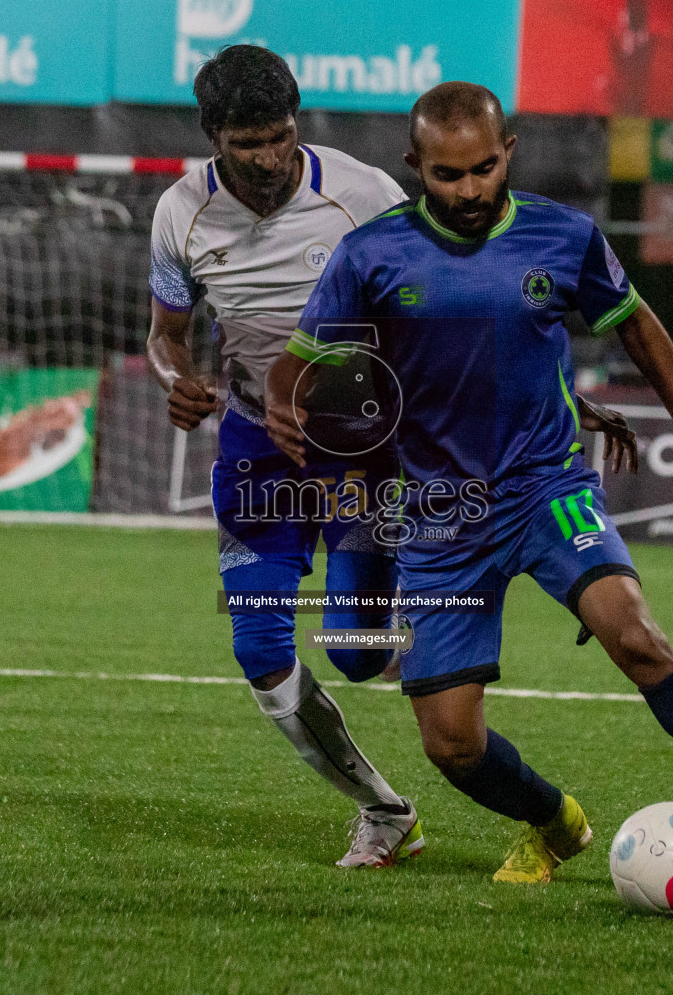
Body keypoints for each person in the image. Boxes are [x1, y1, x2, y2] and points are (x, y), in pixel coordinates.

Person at [265, 82, 673, 887]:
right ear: (415, 167)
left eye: (483, 169)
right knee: (452, 746)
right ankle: (553, 821)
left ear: (509, 152)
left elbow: (635, 323)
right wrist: (285, 404)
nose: (469, 191)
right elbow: (299, 362)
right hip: (439, 514)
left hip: (547, 485)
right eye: (446, 175)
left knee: (637, 635)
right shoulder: (371, 255)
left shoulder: (561, 235)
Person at [145, 45, 422, 868]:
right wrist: (176, 378)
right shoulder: (178, 214)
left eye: (281, 136)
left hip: (358, 450)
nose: (270, 159)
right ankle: (384, 812)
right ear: (213, 139)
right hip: (254, 446)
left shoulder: (365, 195)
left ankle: (398, 612)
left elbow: (429, 308)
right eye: (249, 144)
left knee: (356, 654)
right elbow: (166, 336)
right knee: (260, 650)